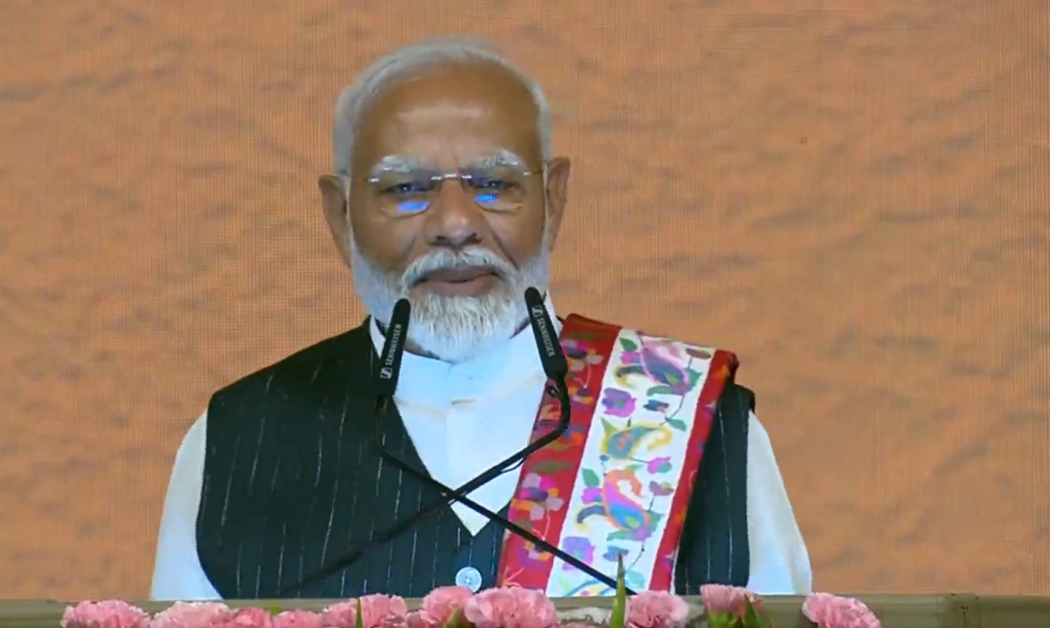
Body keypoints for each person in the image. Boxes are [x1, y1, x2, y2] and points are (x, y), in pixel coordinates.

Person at [151, 37, 811, 601]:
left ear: (553, 200)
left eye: (494, 184)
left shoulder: (690, 419)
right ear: (339, 214)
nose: (456, 225)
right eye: (405, 190)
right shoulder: (241, 438)